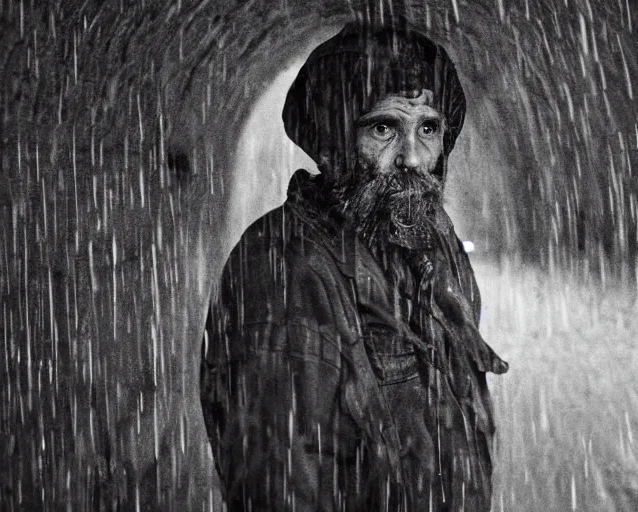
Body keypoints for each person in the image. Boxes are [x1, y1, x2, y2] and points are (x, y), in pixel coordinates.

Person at [200, 21, 508, 511]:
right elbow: (283, 484)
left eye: (428, 128)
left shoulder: (428, 240)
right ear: (331, 141)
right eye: (383, 128)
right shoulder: (284, 273)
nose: (412, 156)